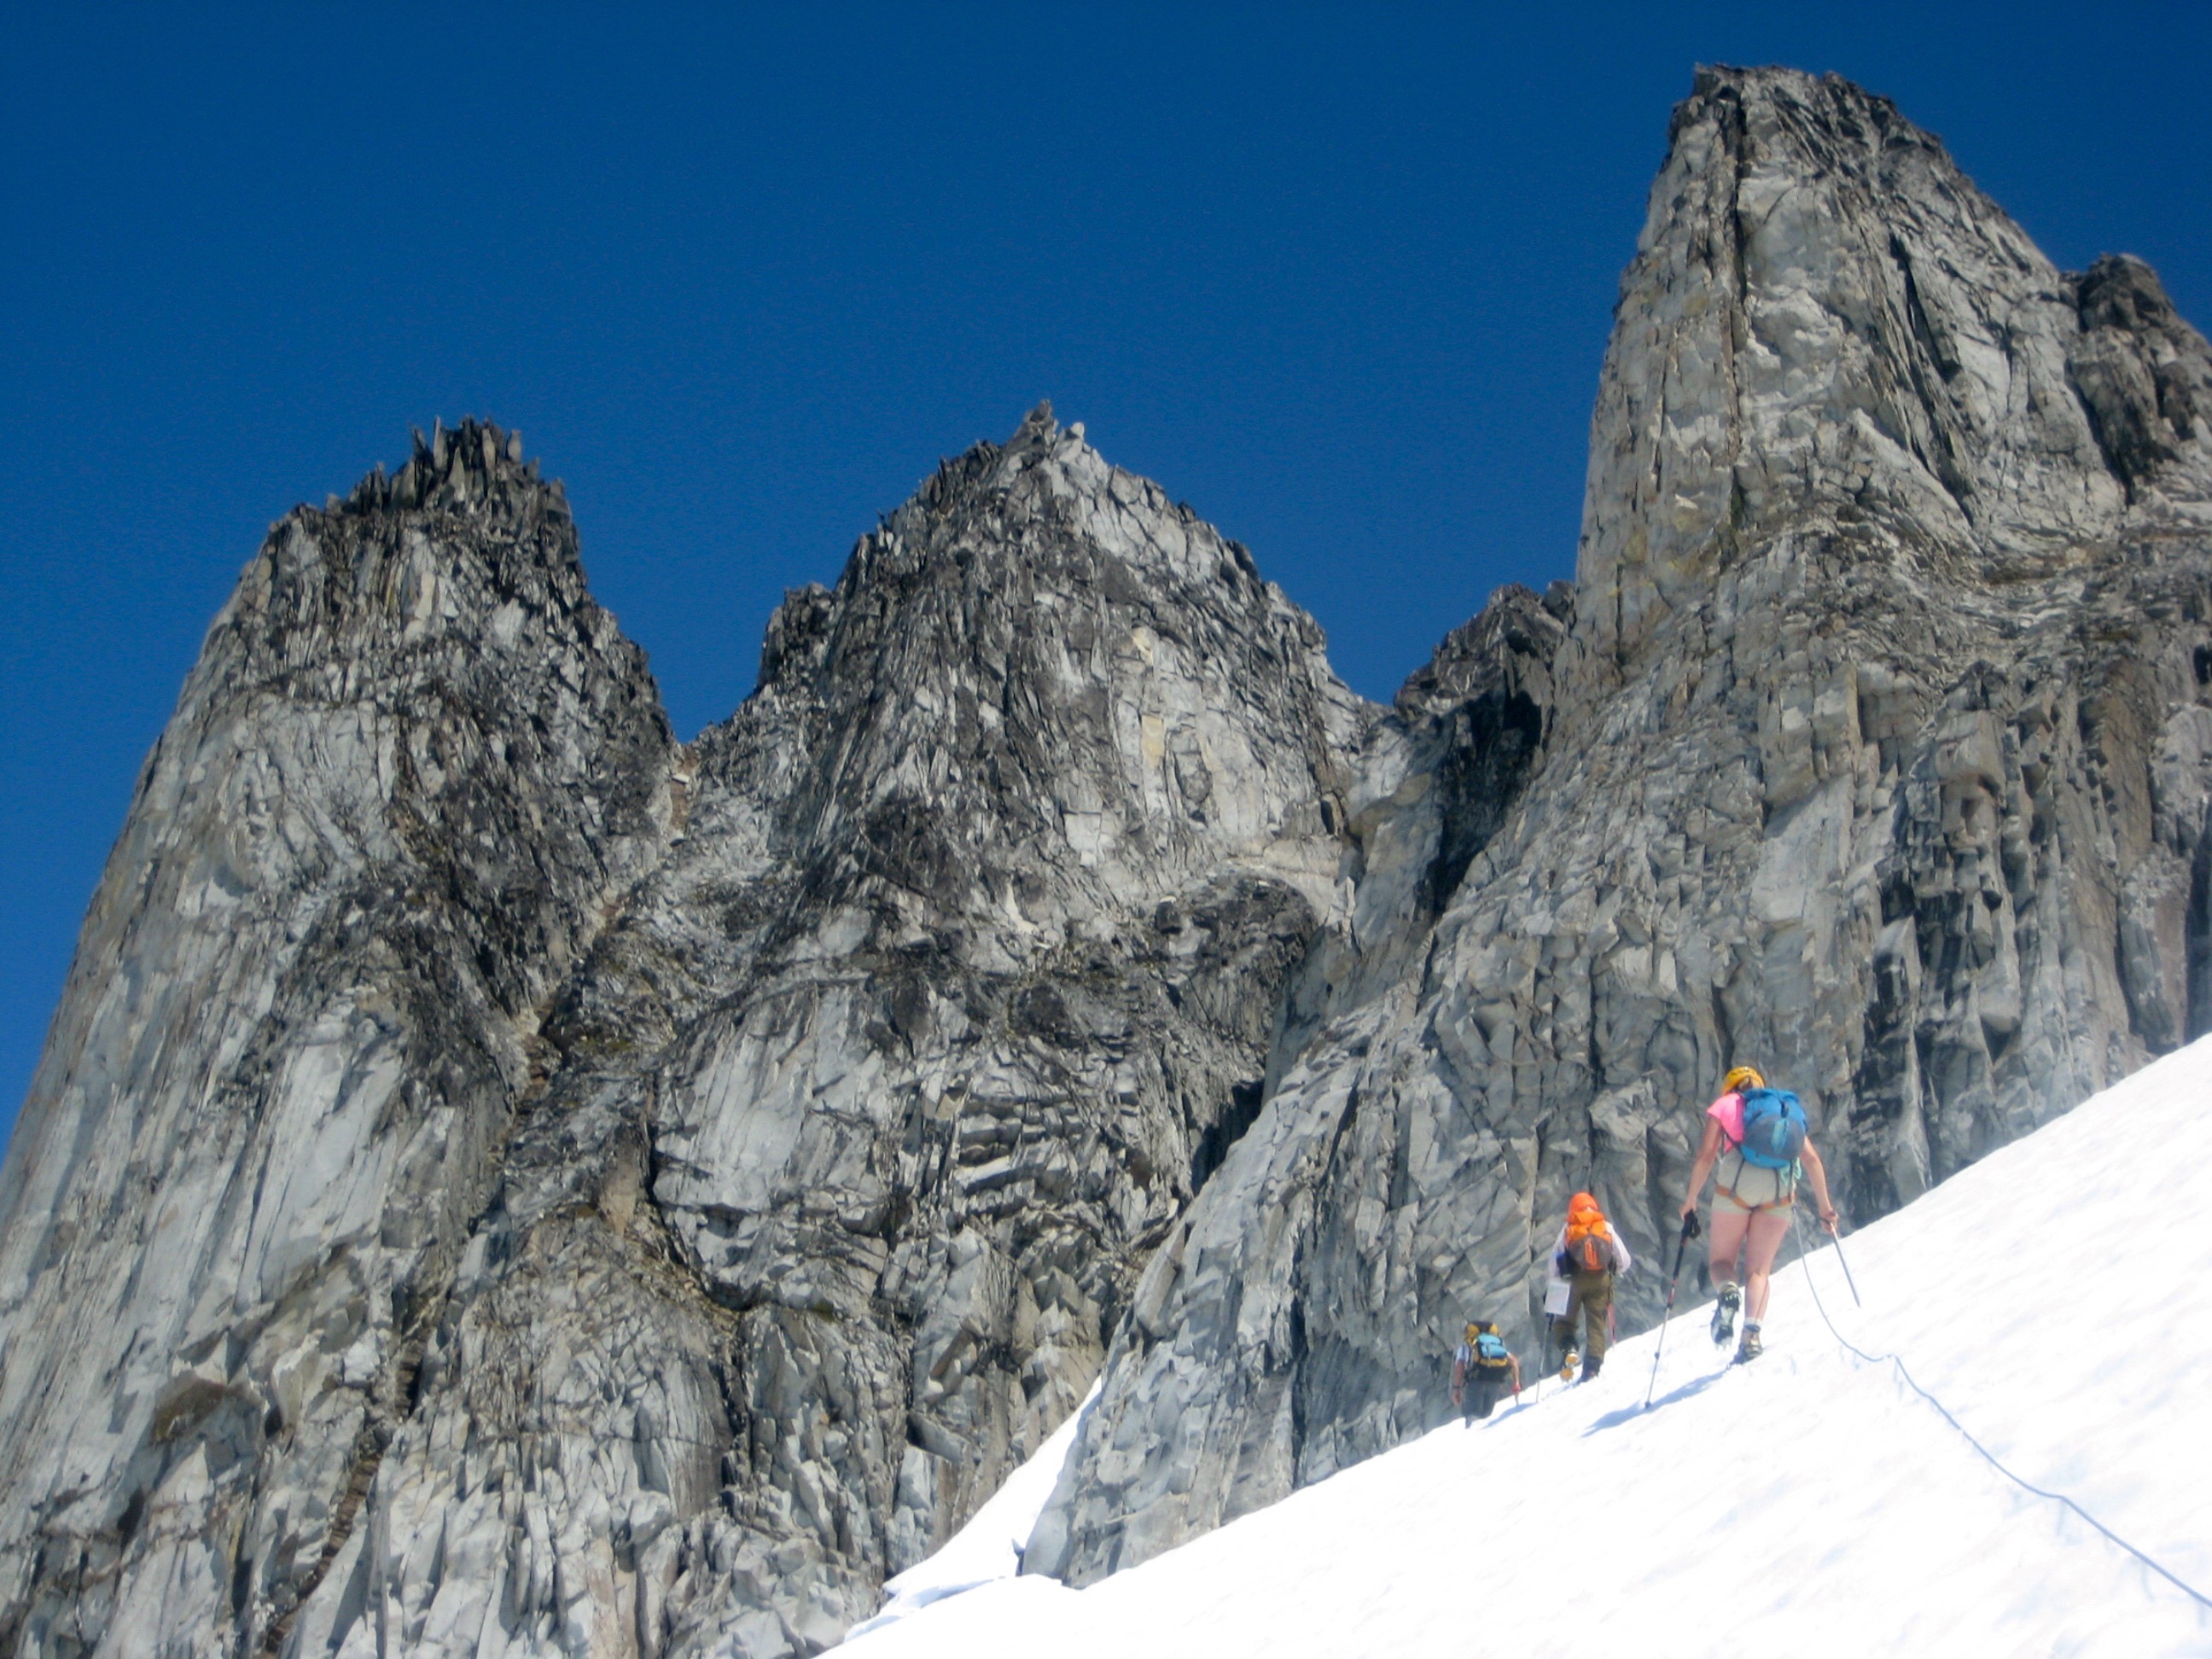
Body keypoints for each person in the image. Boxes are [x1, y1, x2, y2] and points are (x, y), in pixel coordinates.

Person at [1678, 1064, 1840, 1363]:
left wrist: (1690, 1200)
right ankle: (1751, 1337)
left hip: (1737, 1184)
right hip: (1779, 1191)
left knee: (1722, 1262)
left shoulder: (1726, 1104)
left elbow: (1706, 1155)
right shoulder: (1782, 1109)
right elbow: (1812, 1159)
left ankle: (1727, 1291)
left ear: (1731, 1088)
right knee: (1759, 1271)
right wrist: (1825, 1209)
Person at [1547, 1191, 1631, 1382]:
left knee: (1564, 1322)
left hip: (1572, 1280)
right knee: (1596, 1323)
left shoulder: (1568, 1228)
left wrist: (1554, 1285)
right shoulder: (1606, 1227)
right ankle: (1592, 1368)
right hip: (1601, 1279)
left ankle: (1569, 1348)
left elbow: (1554, 1262)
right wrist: (1613, 1270)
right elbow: (1625, 1260)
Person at [1451, 1319, 1522, 1422]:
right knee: (1486, 1418)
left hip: (1475, 1382)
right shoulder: (1497, 1344)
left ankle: (1471, 1434)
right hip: (1496, 1382)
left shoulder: (1467, 1346)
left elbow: (1460, 1366)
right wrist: (1516, 1382)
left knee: (1472, 1416)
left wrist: (1456, 1389)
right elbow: (1514, 1361)